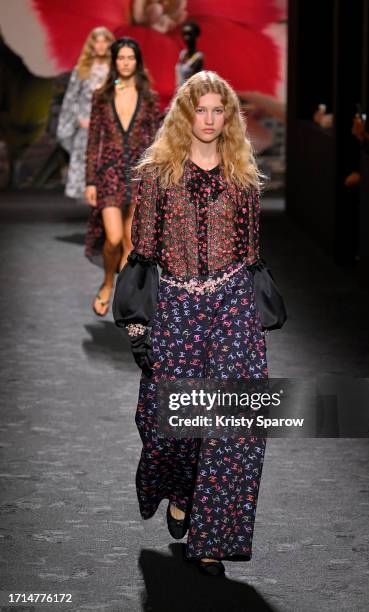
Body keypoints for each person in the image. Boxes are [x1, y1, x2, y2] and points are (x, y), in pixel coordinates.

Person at [113, 71, 282, 577]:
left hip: (232, 305)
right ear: (185, 115)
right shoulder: (156, 174)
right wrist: (139, 328)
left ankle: (213, 539)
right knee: (171, 425)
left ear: (228, 117)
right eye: (200, 110)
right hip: (177, 306)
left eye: (218, 111)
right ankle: (182, 489)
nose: (209, 120)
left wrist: (255, 310)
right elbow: (142, 252)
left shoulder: (242, 175)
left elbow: (252, 253)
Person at [84, 37, 161, 316]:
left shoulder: (149, 98)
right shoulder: (101, 96)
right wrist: (90, 180)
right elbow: (94, 141)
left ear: (137, 61)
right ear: (114, 61)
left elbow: (156, 139)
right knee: (113, 238)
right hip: (109, 174)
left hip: (138, 174)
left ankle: (124, 298)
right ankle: (106, 282)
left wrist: (156, 177)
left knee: (131, 242)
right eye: (121, 58)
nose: (126, 63)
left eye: (131, 58)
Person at [57, 27, 114, 201]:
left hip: (110, 124)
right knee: (87, 162)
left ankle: (107, 201)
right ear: (92, 44)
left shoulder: (115, 68)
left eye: (105, 41)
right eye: (97, 41)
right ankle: (93, 205)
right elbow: (71, 98)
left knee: (108, 162)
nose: (101, 45)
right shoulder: (82, 69)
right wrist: (78, 118)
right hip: (87, 125)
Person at [175, 20, 204, 89]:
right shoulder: (182, 54)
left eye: (189, 34)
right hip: (178, 93)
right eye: (184, 34)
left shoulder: (198, 57)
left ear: (196, 36)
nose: (186, 37)